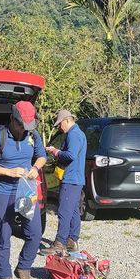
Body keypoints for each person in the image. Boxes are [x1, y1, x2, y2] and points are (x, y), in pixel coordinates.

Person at [0, 101, 47, 279]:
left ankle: (23, 268)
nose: (23, 130)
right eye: (20, 125)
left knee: (35, 233)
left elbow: (42, 156)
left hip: (25, 191)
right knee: (4, 234)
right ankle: (5, 276)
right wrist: (8, 172)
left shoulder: (33, 135)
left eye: (27, 126)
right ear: (12, 118)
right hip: (3, 191)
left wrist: (35, 168)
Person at [41, 109, 87, 254]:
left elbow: (70, 155)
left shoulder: (73, 134)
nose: (60, 127)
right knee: (73, 211)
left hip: (71, 178)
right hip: (76, 179)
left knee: (64, 211)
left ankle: (60, 242)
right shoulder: (78, 134)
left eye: (60, 124)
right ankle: (72, 241)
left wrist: (56, 152)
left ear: (67, 120)